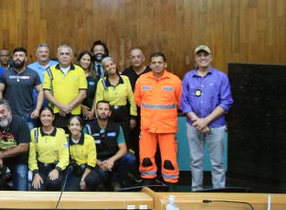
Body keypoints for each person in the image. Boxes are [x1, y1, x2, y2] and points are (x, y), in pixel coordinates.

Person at [180, 45, 233, 191]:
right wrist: (197, 121)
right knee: (195, 161)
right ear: (195, 58)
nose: (202, 58)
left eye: (205, 55)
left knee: (218, 163)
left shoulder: (221, 77)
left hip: (216, 125)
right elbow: (184, 102)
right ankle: (197, 191)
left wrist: (206, 121)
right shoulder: (188, 77)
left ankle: (219, 193)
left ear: (211, 57)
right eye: (199, 55)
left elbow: (226, 102)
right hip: (194, 125)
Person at [134, 52, 182, 186]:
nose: (157, 65)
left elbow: (180, 102)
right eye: (154, 62)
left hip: (167, 128)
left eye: (160, 62)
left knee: (169, 161)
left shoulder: (175, 81)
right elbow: (138, 100)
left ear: (165, 64)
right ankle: (147, 183)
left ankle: (170, 184)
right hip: (147, 127)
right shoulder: (142, 80)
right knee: (146, 160)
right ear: (150, 65)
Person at [84, 101, 136, 190]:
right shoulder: (88, 128)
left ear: (110, 113)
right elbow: (83, 151)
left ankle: (116, 181)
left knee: (130, 158)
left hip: (113, 160)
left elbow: (123, 149)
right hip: (96, 161)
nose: (103, 111)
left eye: (106, 109)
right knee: (97, 178)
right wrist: (99, 163)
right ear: (96, 111)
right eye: (100, 109)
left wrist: (111, 160)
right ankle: (102, 184)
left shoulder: (117, 127)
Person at [94, 57, 137, 151]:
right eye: (107, 66)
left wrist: (133, 116)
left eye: (112, 64)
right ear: (104, 69)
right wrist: (98, 117)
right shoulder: (102, 82)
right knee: (110, 139)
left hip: (123, 114)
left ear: (115, 65)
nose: (110, 67)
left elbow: (132, 99)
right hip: (108, 114)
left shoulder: (125, 79)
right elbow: (98, 101)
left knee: (125, 138)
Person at [0, 47, 43, 129]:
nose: (18, 57)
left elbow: (40, 91)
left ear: (26, 58)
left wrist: (37, 109)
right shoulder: (5, 73)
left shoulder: (33, 74)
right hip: (9, 115)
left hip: (28, 115)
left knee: (27, 137)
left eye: (21, 55)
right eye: (15, 55)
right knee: (9, 137)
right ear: (13, 58)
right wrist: (1, 108)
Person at [43, 45, 87, 129]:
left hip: (74, 112)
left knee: (74, 136)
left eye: (67, 54)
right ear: (57, 56)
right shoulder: (49, 71)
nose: (64, 56)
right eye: (62, 54)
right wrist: (62, 107)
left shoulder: (79, 70)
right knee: (57, 136)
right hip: (55, 112)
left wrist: (69, 107)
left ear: (71, 56)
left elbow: (83, 94)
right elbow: (46, 93)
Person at [29, 106, 70, 190]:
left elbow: (65, 156)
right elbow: (31, 157)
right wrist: (36, 173)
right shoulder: (34, 133)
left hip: (55, 167)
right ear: (40, 117)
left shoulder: (60, 133)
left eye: (49, 115)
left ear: (53, 117)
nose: (46, 118)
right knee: (36, 190)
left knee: (53, 183)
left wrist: (57, 169)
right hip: (40, 169)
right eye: (43, 116)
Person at [65, 116, 97, 191]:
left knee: (91, 180)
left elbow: (91, 162)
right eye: (72, 125)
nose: (74, 127)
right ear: (68, 127)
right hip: (75, 170)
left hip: (88, 170)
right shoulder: (65, 139)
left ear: (81, 127)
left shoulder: (89, 139)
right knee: (71, 191)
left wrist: (83, 179)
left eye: (77, 125)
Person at [28, 43, 58, 109]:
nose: (43, 54)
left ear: (49, 54)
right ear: (36, 54)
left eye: (46, 52)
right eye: (41, 52)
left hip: (55, 105)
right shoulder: (30, 68)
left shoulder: (57, 66)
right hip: (34, 105)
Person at [76, 50, 99, 120]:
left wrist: (92, 112)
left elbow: (97, 95)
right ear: (79, 60)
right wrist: (81, 106)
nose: (86, 62)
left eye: (88, 60)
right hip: (75, 110)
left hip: (91, 112)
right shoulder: (73, 75)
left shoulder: (95, 76)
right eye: (84, 59)